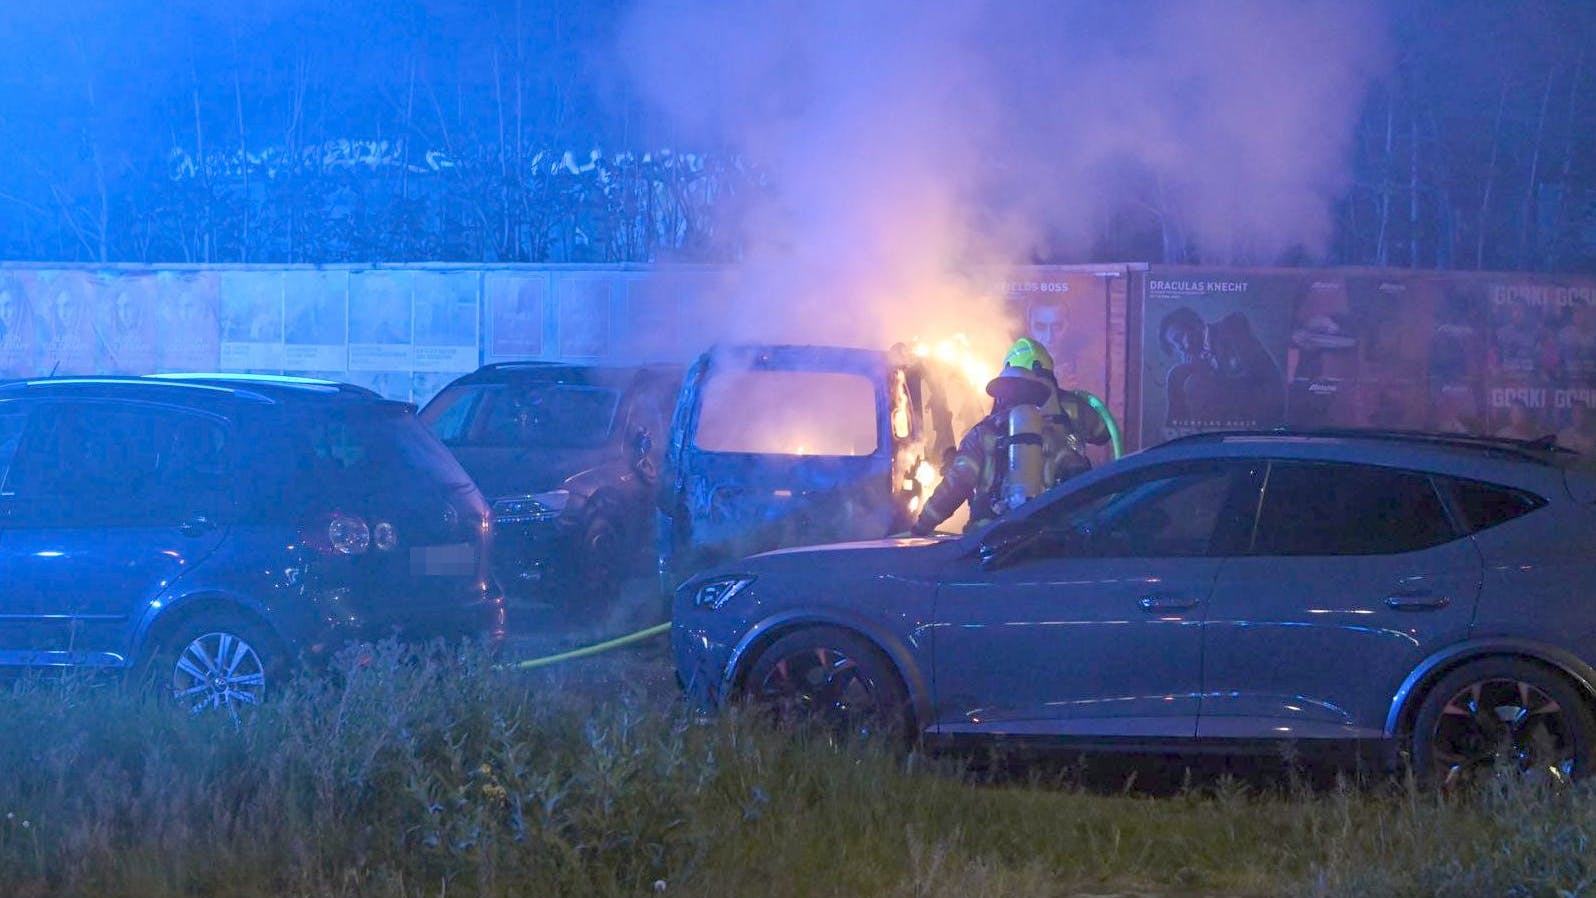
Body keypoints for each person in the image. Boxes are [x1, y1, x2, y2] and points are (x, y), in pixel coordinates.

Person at [910, 339, 1089, 536]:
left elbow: (955, 486)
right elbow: (1078, 480)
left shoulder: (982, 434)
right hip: (1037, 539)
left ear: (1000, 394)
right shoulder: (1051, 436)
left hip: (988, 539)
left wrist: (921, 527)